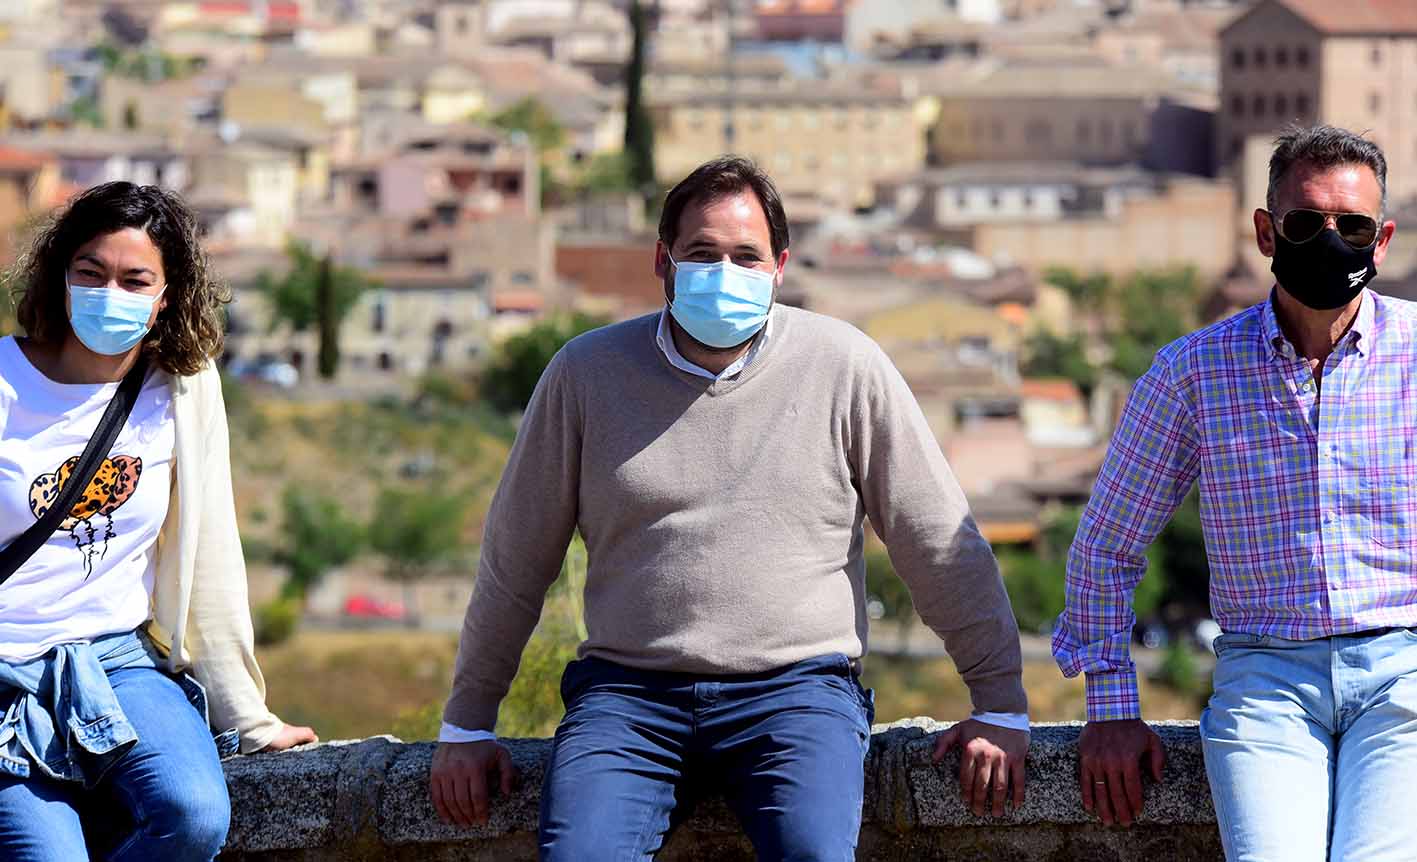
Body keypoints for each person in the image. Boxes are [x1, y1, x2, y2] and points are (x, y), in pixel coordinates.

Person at [428, 156, 1030, 859]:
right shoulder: (585, 375)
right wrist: (467, 726)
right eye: (702, 253)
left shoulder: (845, 366)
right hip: (629, 697)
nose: (724, 273)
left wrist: (997, 704)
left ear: (778, 266)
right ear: (663, 261)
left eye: (745, 256)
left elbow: (935, 541)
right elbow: (515, 561)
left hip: (797, 693)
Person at [1053, 124, 1416, 860]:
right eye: (1305, 222)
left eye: (1350, 226)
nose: (1328, 240)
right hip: (1266, 680)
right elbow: (1106, 544)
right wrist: (1112, 707)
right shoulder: (1193, 372)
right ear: (1264, 232)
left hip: (1404, 674)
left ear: (1379, 243)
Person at [0, 182, 317, 861]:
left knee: (194, 816)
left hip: (118, 661)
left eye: (134, 279)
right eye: (91, 273)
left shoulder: (181, 388)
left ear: (166, 295)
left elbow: (211, 560)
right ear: (60, 275)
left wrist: (248, 718)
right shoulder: (4, 382)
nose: (109, 293)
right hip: (5, 675)